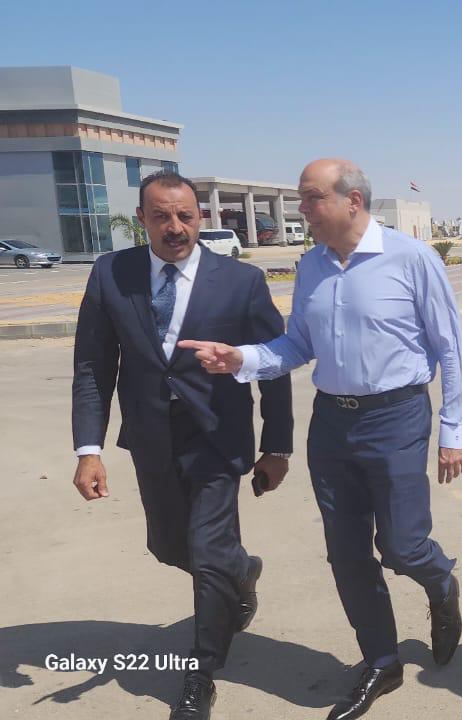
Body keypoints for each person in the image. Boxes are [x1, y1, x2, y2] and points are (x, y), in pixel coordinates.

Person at [179, 159, 462, 720]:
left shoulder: (411, 258)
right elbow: (297, 345)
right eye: (302, 198)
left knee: (403, 546)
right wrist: (241, 359)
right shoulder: (311, 265)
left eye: (312, 198)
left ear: (352, 200)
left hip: (397, 417)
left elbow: (451, 348)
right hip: (332, 424)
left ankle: (441, 583)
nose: (303, 209)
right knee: (346, 552)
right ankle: (382, 660)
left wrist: (454, 432)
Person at [71, 171, 293, 720]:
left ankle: (201, 673)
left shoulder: (241, 281)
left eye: (186, 216)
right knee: (171, 547)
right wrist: (88, 450)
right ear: (142, 219)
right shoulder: (111, 273)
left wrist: (277, 446)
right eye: (162, 216)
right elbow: (94, 367)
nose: (175, 227)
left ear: (201, 217)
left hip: (218, 435)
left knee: (208, 552)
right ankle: (241, 572)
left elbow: (275, 365)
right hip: (151, 436)